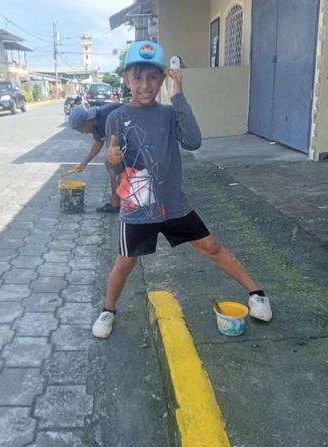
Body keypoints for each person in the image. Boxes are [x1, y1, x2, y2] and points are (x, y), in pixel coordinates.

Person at [92, 40, 272, 338]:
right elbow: (114, 168)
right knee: (125, 262)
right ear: (126, 80)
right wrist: (112, 160)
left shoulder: (169, 113)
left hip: (174, 204)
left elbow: (193, 141)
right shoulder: (117, 118)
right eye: (137, 77)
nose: (145, 85)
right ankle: (108, 310)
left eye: (153, 77)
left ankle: (257, 294)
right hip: (137, 207)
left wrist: (178, 96)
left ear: (164, 78)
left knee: (210, 246)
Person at [68, 102, 123, 213]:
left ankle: (117, 204)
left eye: (80, 130)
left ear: (87, 123)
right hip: (120, 138)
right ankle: (116, 202)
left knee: (114, 164)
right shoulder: (94, 125)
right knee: (112, 164)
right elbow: (99, 142)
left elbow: (115, 145)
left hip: (135, 133)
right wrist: (84, 163)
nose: (82, 133)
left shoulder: (107, 117)